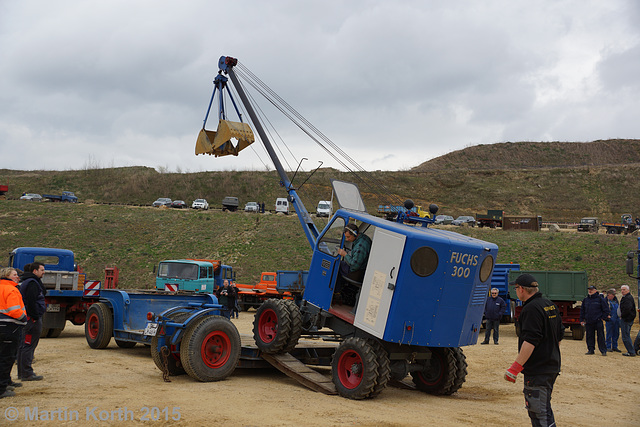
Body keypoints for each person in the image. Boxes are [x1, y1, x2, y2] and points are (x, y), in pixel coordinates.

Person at [504, 274, 563, 427]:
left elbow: (530, 341)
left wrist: (515, 368)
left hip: (538, 371)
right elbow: (560, 334)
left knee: (539, 413)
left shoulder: (530, 309)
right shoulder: (549, 304)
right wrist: (550, 353)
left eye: (516, 288)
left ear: (522, 289)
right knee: (544, 410)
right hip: (551, 366)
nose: (516, 291)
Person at [0, 267, 27, 398]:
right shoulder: (11, 289)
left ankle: (5, 382)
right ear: (7, 276)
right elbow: (14, 310)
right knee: (7, 357)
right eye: (15, 274)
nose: (18, 277)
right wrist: (24, 319)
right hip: (9, 327)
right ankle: (1, 388)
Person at [17, 262, 46, 381]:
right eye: (42, 270)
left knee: (24, 346)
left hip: (29, 318)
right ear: (35, 271)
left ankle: (23, 372)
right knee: (28, 346)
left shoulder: (28, 281)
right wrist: (34, 317)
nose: (44, 272)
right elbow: (31, 302)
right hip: (31, 320)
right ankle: (26, 373)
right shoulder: (32, 283)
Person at [335, 223, 372, 305]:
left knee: (336, 265)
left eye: (348, 237)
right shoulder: (363, 238)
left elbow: (354, 266)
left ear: (355, 234)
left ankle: (337, 293)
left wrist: (345, 254)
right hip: (361, 270)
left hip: (356, 272)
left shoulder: (360, 246)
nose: (347, 239)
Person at [580, 285, 609, 356]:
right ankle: (591, 350)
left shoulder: (600, 299)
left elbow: (606, 309)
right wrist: (582, 320)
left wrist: (603, 317)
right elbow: (582, 311)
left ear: (595, 291)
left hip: (598, 321)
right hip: (589, 321)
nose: (590, 291)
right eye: (589, 289)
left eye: (592, 289)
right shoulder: (586, 300)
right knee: (589, 336)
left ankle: (603, 350)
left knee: (601, 336)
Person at [619, 285, 637, 356]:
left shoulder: (628, 298)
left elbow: (627, 309)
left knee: (625, 336)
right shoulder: (626, 297)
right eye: (621, 290)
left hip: (626, 319)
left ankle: (631, 352)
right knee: (626, 335)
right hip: (627, 319)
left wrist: (622, 316)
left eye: (624, 289)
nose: (622, 291)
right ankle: (631, 351)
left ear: (628, 290)